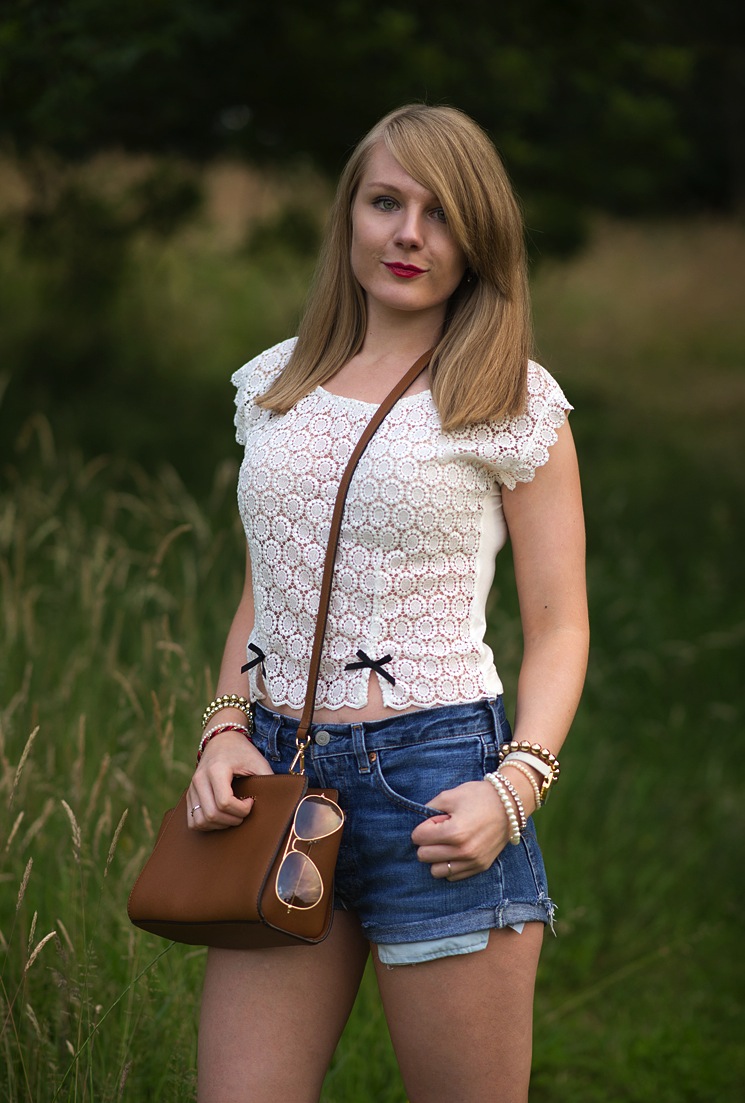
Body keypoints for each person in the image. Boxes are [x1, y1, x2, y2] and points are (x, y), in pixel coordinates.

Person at [187, 103, 589, 1103]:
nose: (409, 232)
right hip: (276, 780)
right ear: (351, 217)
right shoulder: (273, 385)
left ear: (477, 239)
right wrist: (221, 729)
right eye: (386, 202)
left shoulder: (511, 397)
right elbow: (263, 594)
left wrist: (517, 784)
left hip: (438, 784)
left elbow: (560, 622)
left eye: (441, 213)